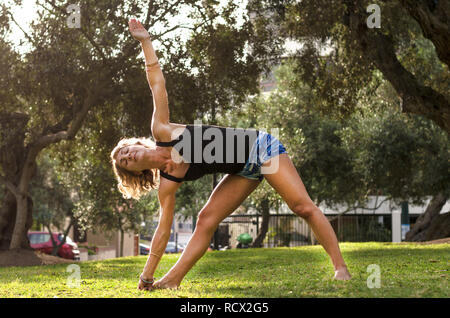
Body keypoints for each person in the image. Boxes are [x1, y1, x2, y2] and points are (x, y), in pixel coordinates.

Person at [111, 19, 351, 291]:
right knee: (205, 220)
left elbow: (157, 83)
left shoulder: (162, 130)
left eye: (126, 150)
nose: (127, 155)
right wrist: (146, 275)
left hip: (261, 148)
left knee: (302, 207)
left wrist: (145, 42)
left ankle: (340, 268)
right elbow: (163, 231)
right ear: (133, 171)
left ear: (138, 145)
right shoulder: (167, 185)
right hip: (242, 172)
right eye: (123, 161)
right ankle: (172, 280)